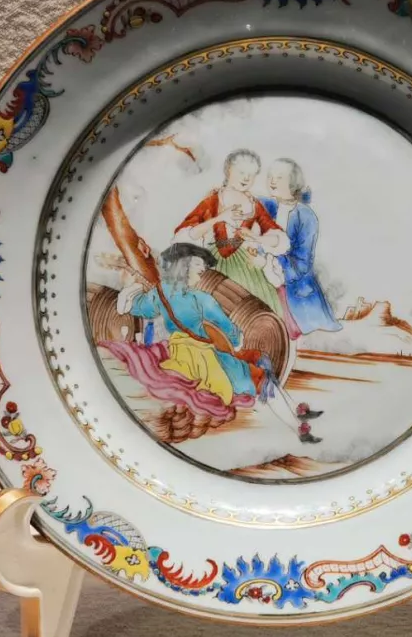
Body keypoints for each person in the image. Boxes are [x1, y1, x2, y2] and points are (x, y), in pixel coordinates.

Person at [118, 243, 322, 443]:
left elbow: (138, 308)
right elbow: (228, 331)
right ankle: (298, 427)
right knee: (260, 374)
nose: (203, 270)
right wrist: (237, 341)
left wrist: (130, 288)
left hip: (179, 355)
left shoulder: (160, 293)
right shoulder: (201, 299)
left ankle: (296, 411)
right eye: (198, 264)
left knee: (260, 363)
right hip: (205, 359)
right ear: (184, 266)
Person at [171, 150, 291, 317]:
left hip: (248, 267)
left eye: (251, 175)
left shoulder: (254, 205)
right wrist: (219, 218)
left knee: (255, 313)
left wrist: (256, 237)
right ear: (229, 170)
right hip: (214, 266)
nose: (246, 178)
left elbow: (278, 238)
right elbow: (186, 235)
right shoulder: (212, 201)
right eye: (241, 172)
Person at [259, 158, 343, 337]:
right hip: (262, 278)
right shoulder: (266, 205)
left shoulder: (306, 216)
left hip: (295, 290)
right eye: (270, 176)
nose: (272, 181)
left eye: (279, 177)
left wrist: (273, 263)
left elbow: (302, 264)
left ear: (293, 182)